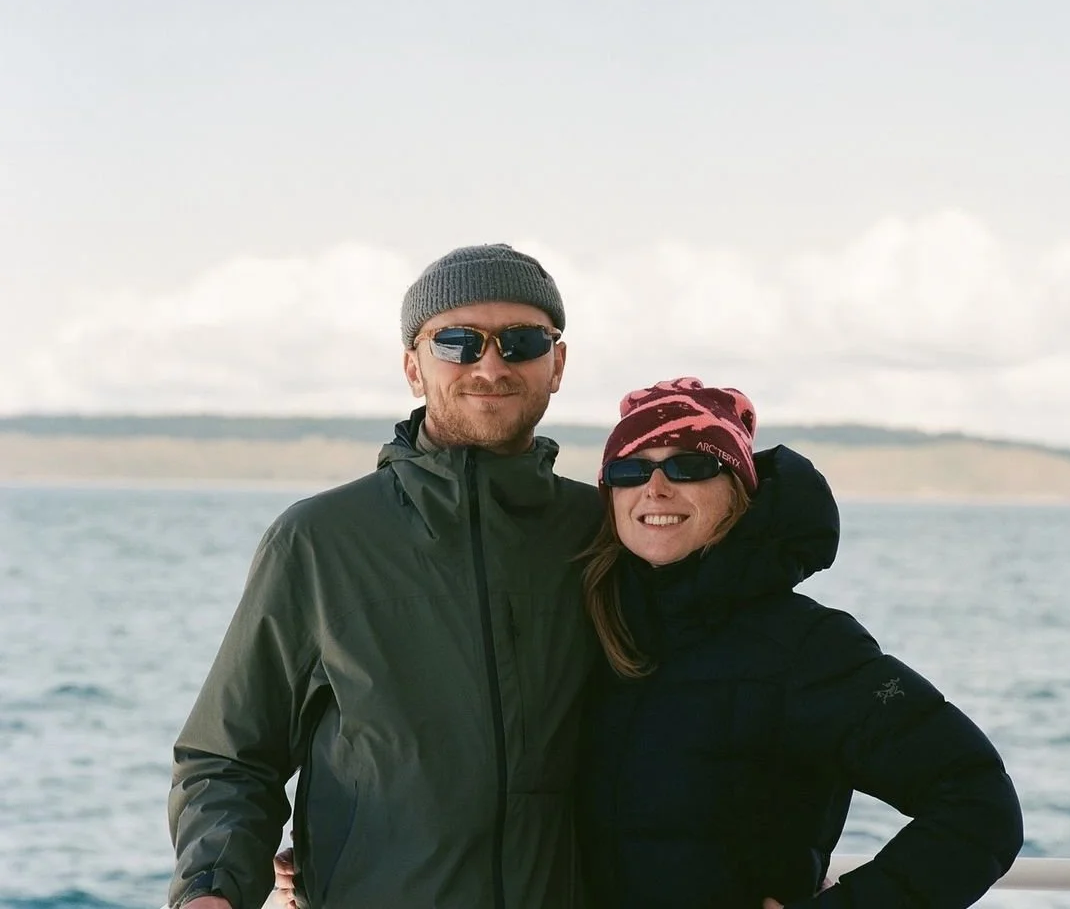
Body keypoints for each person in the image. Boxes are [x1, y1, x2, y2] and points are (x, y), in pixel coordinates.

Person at [167, 244, 606, 908]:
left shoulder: (603, 533)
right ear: (413, 367)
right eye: (457, 342)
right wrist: (211, 888)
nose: (490, 365)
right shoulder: (319, 539)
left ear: (558, 363)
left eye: (522, 341)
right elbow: (231, 757)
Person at [576, 377, 1024, 908]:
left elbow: (978, 804)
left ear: (738, 492)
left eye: (688, 466)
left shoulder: (807, 649)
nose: (654, 487)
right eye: (629, 470)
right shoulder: (587, 627)